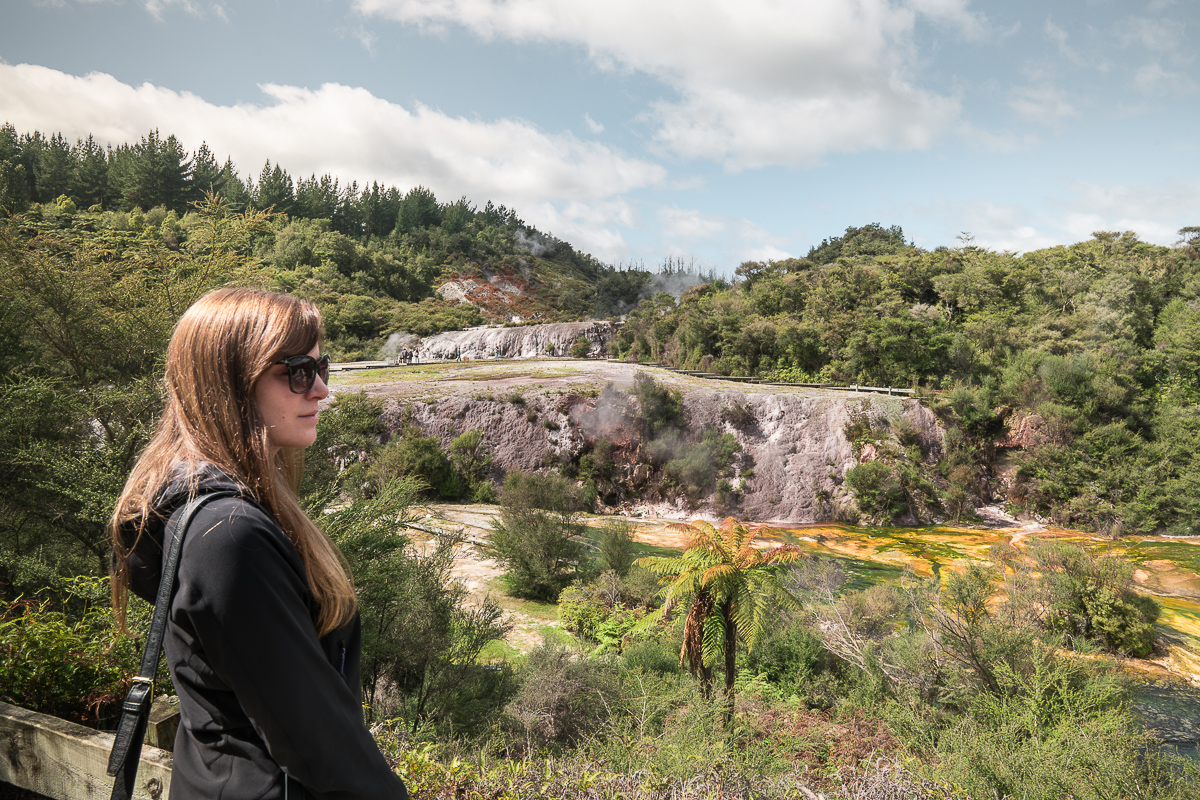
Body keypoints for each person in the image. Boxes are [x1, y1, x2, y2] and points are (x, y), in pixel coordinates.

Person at [110, 288, 408, 800]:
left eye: (322, 369)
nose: (320, 391)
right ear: (230, 383)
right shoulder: (229, 537)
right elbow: (316, 742)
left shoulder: (204, 509)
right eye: (297, 372)